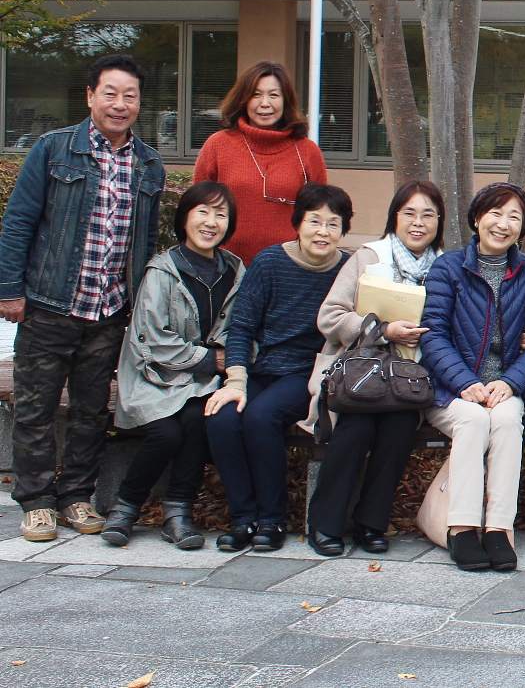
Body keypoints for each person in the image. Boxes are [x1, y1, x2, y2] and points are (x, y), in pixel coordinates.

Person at [0, 54, 166, 543]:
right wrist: (10, 290)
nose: (120, 104)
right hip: (50, 302)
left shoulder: (148, 163)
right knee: (36, 406)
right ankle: (36, 501)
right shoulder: (53, 150)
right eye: (110, 93)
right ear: (90, 95)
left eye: (129, 95)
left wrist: (138, 300)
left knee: (93, 410)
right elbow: (18, 223)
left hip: (110, 308)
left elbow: (146, 239)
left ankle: (76, 496)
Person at [205, 182, 353, 554]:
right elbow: (241, 327)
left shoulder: (350, 268)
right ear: (297, 222)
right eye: (314, 221)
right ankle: (243, 519)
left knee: (260, 418)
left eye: (333, 224)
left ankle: (271, 520)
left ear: (343, 230)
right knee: (223, 418)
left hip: (311, 370)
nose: (323, 231)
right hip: (262, 367)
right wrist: (236, 382)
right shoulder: (270, 262)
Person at [303, 180, 445, 558]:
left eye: (428, 215)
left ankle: (371, 524)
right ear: (394, 218)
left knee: (399, 428)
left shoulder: (446, 268)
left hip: (410, 381)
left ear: (439, 222)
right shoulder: (369, 258)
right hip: (357, 375)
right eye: (409, 213)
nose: (418, 223)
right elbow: (330, 316)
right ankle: (326, 524)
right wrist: (382, 330)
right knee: (355, 427)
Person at [420, 182, 525, 572]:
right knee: (474, 420)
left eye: (515, 217)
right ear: (477, 218)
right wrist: (464, 382)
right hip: (449, 389)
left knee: (509, 420)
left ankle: (498, 529)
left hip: (502, 385)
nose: (504, 223)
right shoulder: (448, 267)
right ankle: (461, 528)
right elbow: (434, 333)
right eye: (496, 213)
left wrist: (510, 382)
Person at [103, 181, 242, 550]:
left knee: (199, 421)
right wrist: (213, 359)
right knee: (167, 434)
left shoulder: (234, 270)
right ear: (184, 219)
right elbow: (153, 338)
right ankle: (126, 507)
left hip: (201, 382)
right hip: (153, 376)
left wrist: (228, 357)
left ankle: (178, 512)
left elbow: (239, 327)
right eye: (203, 212)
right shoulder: (162, 271)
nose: (211, 222)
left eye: (221, 214)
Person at [193, 61, 329, 264]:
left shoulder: (307, 151)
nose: (265, 103)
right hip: (224, 267)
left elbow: (321, 215)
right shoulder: (218, 145)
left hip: (287, 268)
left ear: (286, 101)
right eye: (255, 94)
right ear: (243, 99)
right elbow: (196, 209)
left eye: (274, 95)